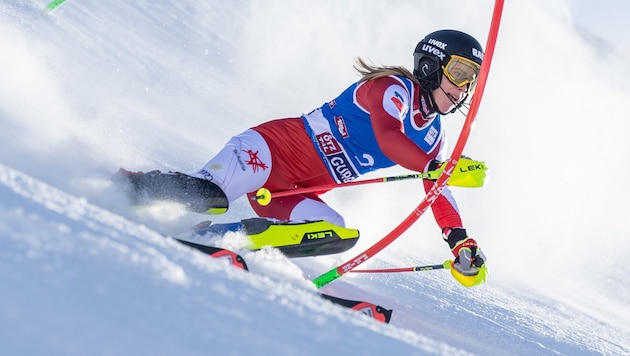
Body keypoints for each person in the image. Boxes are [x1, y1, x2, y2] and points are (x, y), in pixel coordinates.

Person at [118, 29, 487, 281]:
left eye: (470, 80)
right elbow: (389, 138)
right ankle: (130, 188)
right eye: (458, 72)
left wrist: (460, 241)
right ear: (430, 65)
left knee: (333, 232)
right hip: (267, 152)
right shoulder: (391, 89)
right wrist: (436, 167)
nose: (463, 88)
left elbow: (438, 191)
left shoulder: (432, 137)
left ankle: (215, 239)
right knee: (209, 197)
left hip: (289, 193)